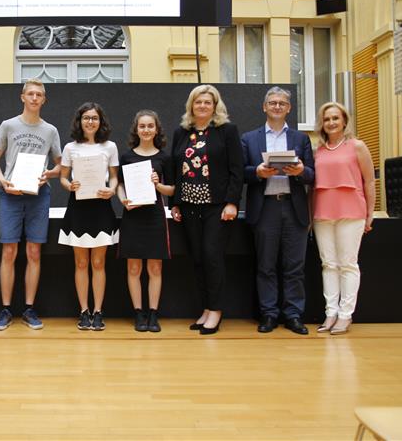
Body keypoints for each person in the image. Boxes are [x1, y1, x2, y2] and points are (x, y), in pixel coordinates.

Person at [0, 79, 62, 330]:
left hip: (38, 195)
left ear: (44, 99)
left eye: (38, 94)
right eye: (30, 93)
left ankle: (29, 309)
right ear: (22, 97)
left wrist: (49, 174)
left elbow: (61, 164)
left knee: (33, 252)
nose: (34, 98)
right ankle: (6, 309)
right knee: (9, 251)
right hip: (10, 194)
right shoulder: (8, 125)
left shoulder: (50, 130)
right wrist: (2, 180)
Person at [170, 85, 243, 335]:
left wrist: (232, 202)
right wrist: (175, 203)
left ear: (215, 106)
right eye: (198, 102)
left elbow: (237, 169)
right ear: (191, 105)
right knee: (198, 259)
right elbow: (175, 170)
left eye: (207, 102)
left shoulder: (226, 131)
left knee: (212, 256)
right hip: (189, 206)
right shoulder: (182, 132)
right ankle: (205, 308)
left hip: (217, 206)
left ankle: (216, 310)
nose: (202, 106)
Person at [241, 87, 314, 335]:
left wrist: (301, 171)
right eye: (272, 103)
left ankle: (293, 315)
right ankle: (269, 314)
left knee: (295, 266)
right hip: (266, 207)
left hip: (294, 208)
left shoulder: (301, 139)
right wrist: (258, 172)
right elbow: (241, 173)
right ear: (264, 107)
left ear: (289, 108)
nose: (277, 107)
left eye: (282, 103)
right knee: (266, 265)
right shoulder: (249, 139)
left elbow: (312, 175)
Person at [313, 102, 375, 335]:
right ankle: (330, 313)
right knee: (328, 264)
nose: (331, 123)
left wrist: (370, 213)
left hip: (352, 212)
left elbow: (369, 181)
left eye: (335, 118)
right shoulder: (317, 151)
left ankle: (345, 315)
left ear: (344, 121)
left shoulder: (357, 146)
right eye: (327, 119)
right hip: (322, 213)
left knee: (348, 264)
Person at [58, 102, 119, 331]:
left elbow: (114, 177)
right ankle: (84, 311)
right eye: (86, 118)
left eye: (94, 118)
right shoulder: (70, 147)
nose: (90, 122)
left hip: (101, 206)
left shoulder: (110, 146)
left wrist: (111, 189)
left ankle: (98, 311)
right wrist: (69, 185)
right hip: (79, 206)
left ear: (100, 121)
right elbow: (63, 178)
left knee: (98, 262)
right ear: (80, 121)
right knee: (81, 262)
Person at [117, 110, 174, 332]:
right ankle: (138, 314)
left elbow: (171, 190)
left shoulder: (164, 158)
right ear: (136, 129)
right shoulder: (127, 157)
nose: (146, 130)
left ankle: (153, 314)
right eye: (142, 126)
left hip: (155, 217)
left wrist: (157, 184)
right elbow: (120, 185)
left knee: (154, 267)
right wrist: (124, 201)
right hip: (133, 216)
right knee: (133, 267)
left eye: (150, 126)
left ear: (156, 129)